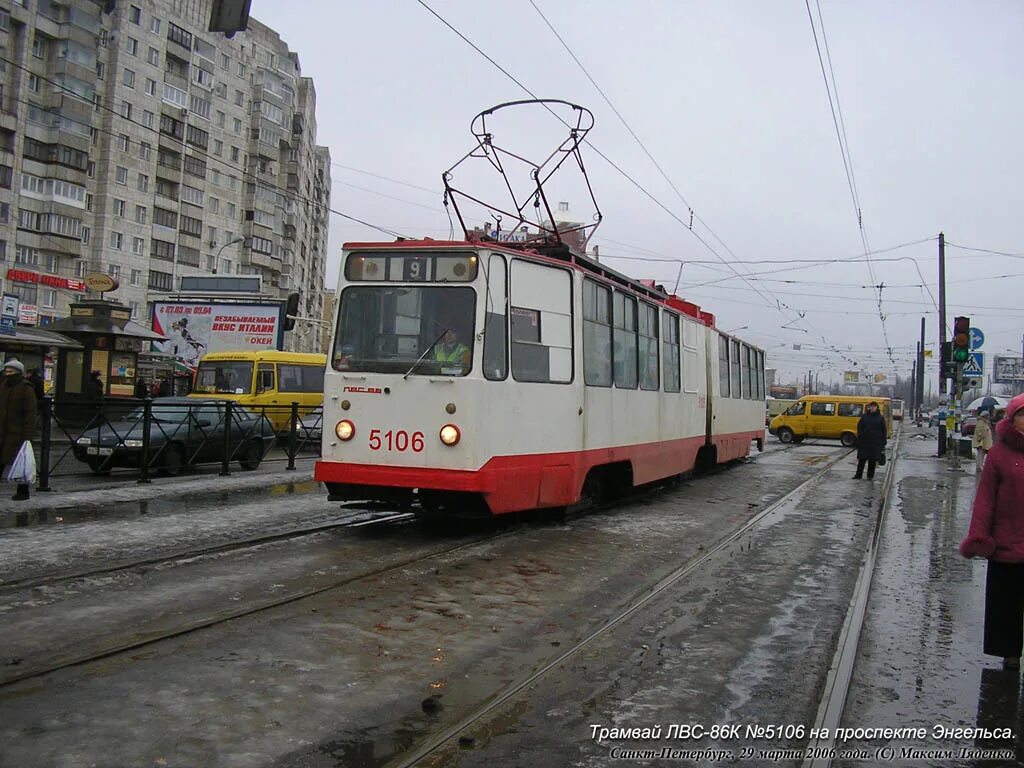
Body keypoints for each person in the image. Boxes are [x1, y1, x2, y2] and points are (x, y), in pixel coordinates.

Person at [960, 393, 1024, 670]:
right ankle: (1010, 655)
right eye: (1022, 414)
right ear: (1012, 419)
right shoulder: (998, 454)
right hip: (1006, 543)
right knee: (1006, 605)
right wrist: (979, 536)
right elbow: (985, 500)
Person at [0, 359, 38, 501]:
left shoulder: (26, 388)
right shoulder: (3, 385)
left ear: (18, 373)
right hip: (3, 431)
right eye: (6, 371)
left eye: (11, 372)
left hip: (17, 433)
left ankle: (23, 491)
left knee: (21, 462)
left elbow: (30, 413)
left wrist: (28, 435)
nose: (8, 374)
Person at [853, 400, 886, 479]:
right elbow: (859, 427)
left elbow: (883, 430)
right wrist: (860, 436)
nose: (872, 408)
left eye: (874, 407)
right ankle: (858, 475)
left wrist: (883, 442)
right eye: (871, 406)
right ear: (869, 407)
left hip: (875, 442)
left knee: (872, 461)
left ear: (876, 408)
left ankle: (870, 476)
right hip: (864, 442)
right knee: (862, 460)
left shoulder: (880, 418)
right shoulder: (865, 416)